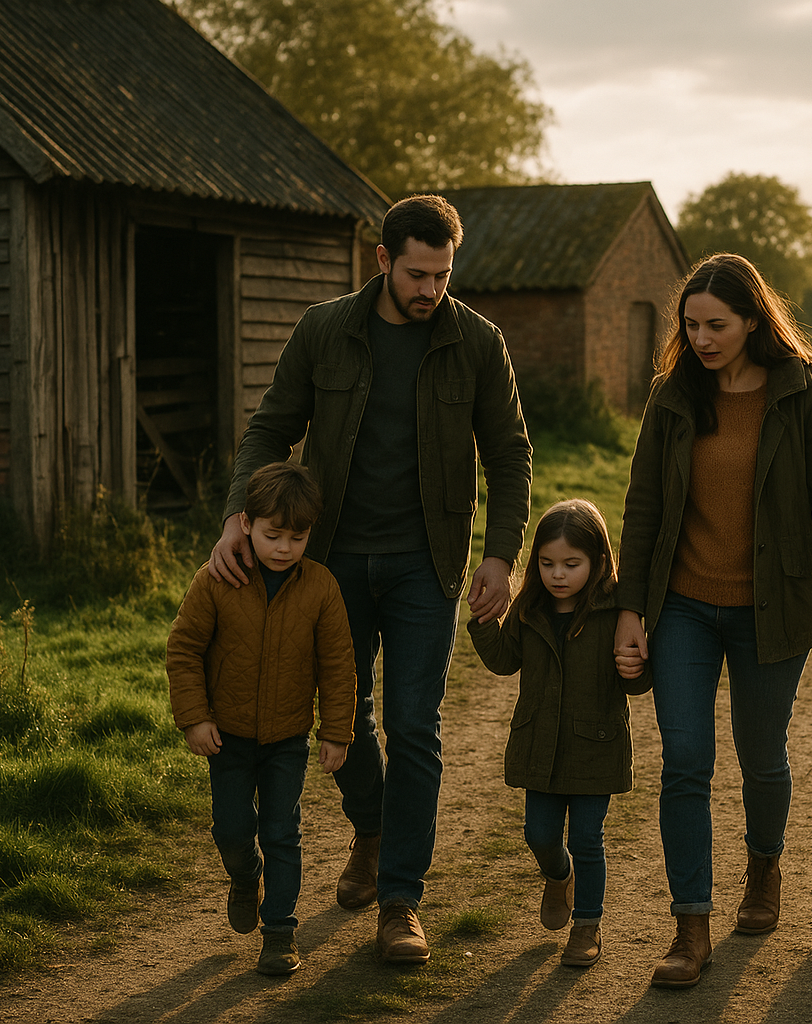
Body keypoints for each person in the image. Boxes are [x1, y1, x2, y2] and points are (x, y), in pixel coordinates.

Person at [207, 194, 532, 964]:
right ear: (381, 260)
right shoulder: (324, 330)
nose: (431, 291)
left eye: (443, 275)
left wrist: (501, 553)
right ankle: (373, 825)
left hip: (429, 563)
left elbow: (509, 451)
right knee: (344, 720)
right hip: (332, 563)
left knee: (415, 725)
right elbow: (269, 427)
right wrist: (235, 516)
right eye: (418, 274)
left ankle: (400, 899)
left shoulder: (478, 341)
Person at [613, 253, 812, 989]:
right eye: (690, 325)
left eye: (716, 324)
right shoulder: (672, 395)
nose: (701, 338)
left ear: (754, 319)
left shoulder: (807, 391)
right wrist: (631, 608)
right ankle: (690, 927)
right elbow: (642, 507)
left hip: (774, 608)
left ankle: (763, 870)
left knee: (763, 756)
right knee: (685, 760)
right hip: (683, 606)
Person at [166, 461, 357, 976]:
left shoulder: (321, 587)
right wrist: (194, 718)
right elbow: (184, 648)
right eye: (273, 535)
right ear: (245, 523)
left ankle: (280, 933)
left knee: (281, 831)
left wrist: (336, 731)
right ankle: (245, 874)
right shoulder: (218, 579)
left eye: (297, 537)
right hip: (225, 736)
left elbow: (339, 665)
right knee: (231, 828)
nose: (284, 548)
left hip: (288, 738)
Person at [468, 499, 650, 968]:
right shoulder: (530, 609)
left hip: (596, 747)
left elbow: (638, 679)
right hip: (540, 747)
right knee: (539, 834)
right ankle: (559, 874)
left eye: (572, 564)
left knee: (589, 837)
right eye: (547, 564)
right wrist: (485, 622)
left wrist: (637, 666)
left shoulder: (616, 611)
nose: (558, 575)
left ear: (598, 561)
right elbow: (505, 662)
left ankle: (587, 926)